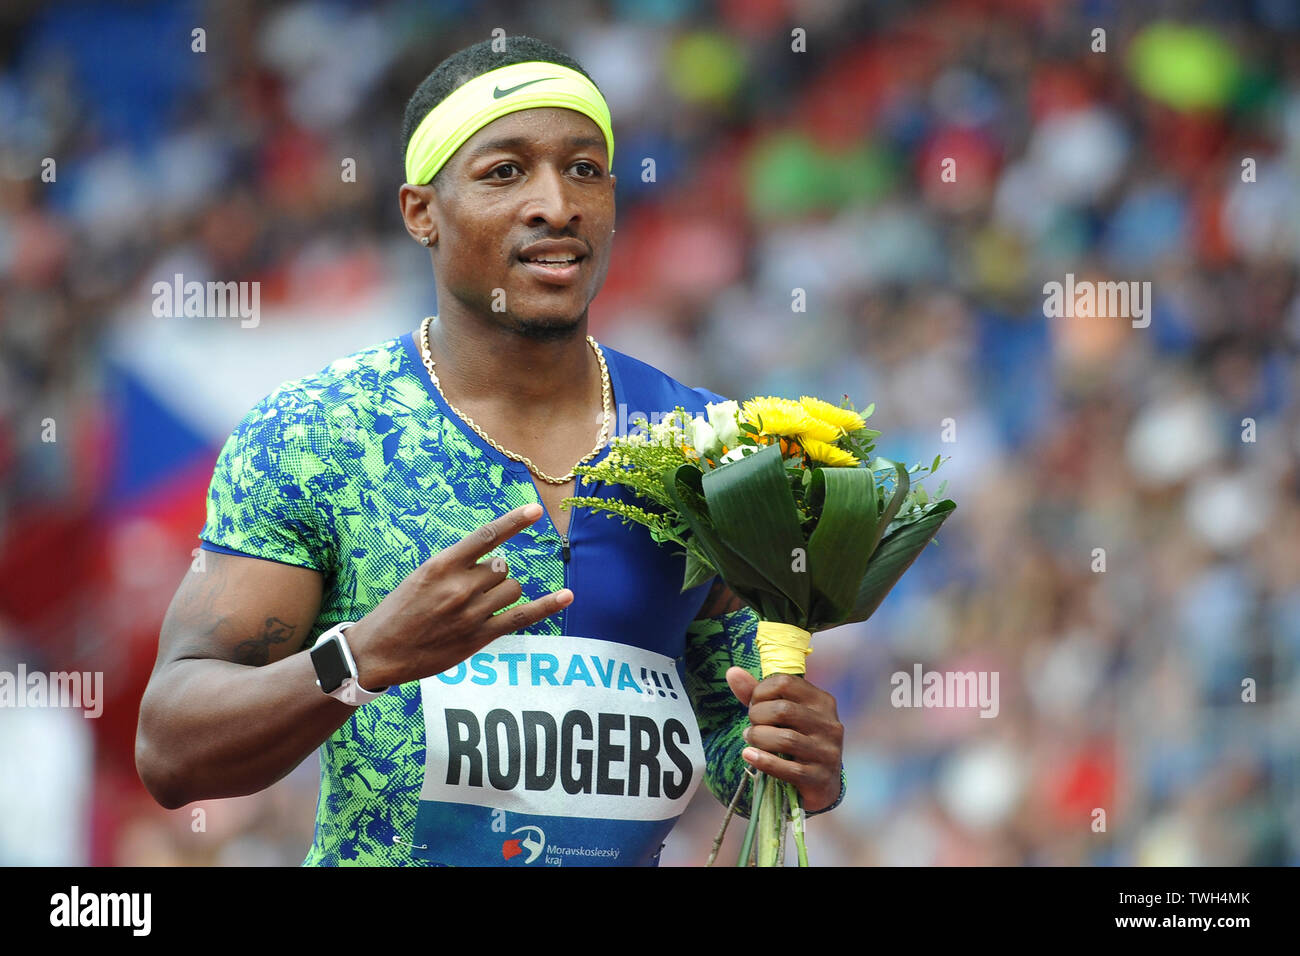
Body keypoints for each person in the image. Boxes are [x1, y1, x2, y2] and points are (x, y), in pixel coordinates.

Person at [135, 35, 845, 866]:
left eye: (585, 169)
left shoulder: (704, 444)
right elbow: (171, 747)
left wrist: (801, 760)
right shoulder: (316, 437)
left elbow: (734, 733)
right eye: (505, 172)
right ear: (420, 211)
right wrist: (363, 658)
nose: (556, 203)